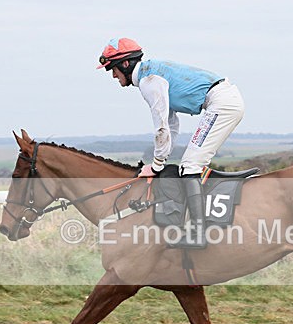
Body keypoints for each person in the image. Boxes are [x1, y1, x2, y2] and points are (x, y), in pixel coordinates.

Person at [97, 37, 245, 248]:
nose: (113, 75)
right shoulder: (150, 74)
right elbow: (172, 123)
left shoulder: (149, 81)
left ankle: (199, 233)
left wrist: (157, 164)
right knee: (189, 164)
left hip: (221, 103)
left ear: (125, 64)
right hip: (223, 100)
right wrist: (161, 160)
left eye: (112, 69)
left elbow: (161, 127)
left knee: (190, 165)